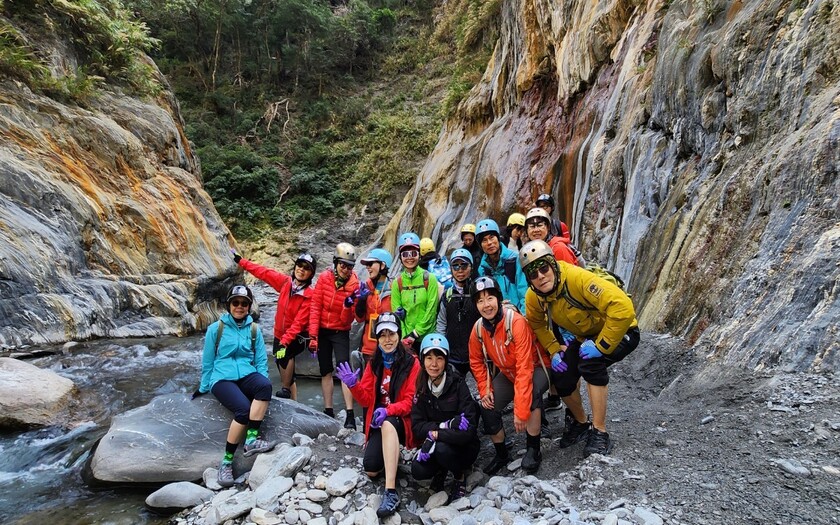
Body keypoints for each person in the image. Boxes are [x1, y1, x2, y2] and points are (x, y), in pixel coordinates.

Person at [520, 240, 639, 456]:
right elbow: (536, 323)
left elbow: (622, 308)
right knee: (562, 376)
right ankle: (581, 422)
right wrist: (554, 349)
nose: (540, 276)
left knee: (591, 363)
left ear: (553, 265)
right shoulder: (534, 296)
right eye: (533, 274)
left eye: (544, 268)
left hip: (622, 329)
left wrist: (602, 345)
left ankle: (600, 432)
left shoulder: (577, 278)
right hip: (586, 336)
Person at [335, 312, 420, 518]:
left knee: (389, 423)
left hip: (400, 420)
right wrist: (353, 385)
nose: (387, 339)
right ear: (377, 338)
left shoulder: (412, 363)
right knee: (371, 469)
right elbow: (366, 400)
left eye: (391, 334)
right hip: (379, 422)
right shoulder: (375, 363)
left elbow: (410, 402)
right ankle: (392, 454)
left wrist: (388, 410)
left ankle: (390, 492)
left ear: (399, 335)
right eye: (382, 335)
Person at [468, 277, 550, 475]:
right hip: (508, 373)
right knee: (487, 404)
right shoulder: (478, 329)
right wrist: (484, 390)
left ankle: (533, 449)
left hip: (537, 367)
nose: (486, 305)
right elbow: (476, 361)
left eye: (490, 298)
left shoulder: (516, 322)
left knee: (532, 393)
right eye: (480, 301)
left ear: (498, 298)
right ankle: (502, 453)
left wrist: (520, 411)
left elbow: (525, 367)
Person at [196, 285, 275, 487]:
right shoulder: (216, 329)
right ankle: (227, 462)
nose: (239, 306)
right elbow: (208, 362)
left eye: (244, 303)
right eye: (236, 303)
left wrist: (261, 382)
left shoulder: (254, 329)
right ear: (229, 305)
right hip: (222, 378)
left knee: (265, 386)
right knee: (242, 409)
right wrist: (204, 387)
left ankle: (251, 440)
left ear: (249, 306)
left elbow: (261, 361)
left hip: (247, 374)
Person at [233, 249, 316, 400]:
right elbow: (263, 273)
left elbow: (298, 323)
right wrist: (242, 262)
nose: (301, 270)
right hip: (280, 333)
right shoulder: (285, 283)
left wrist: (285, 341)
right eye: (299, 265)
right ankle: (293, 401)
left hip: (298, 336)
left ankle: (285, 390)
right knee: (279, 359)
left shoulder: (309, 296)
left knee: (285, 354)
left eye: (306, 268)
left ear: (311, 274)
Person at [411, 333, 480, 503]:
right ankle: (441, 470)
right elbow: (417, 427)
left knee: (443, 450)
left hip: (463, 447)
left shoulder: (458, 384)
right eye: (429, 358)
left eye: (439, 358)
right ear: (422, 360)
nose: (434, 364)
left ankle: (459, 476)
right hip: (437, 442)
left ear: (446, 360)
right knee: (418, 470)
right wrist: (445, 426)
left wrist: (437, 434)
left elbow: (468, 429)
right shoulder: (421, 387)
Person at [309, 242, 361, 429]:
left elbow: (349, 319)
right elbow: (315, 306)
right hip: (323, 331)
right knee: (325, 370)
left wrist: (347, 305)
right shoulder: (324, 278)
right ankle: (328, 409)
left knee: (344, 369)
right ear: (336, 263)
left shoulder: (355, 285)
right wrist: (313, 336)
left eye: (349, 266)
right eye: (342, 265)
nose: (345, 269)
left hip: (340, 331)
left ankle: (350, 413)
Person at [391, 232, 440, 353]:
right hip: (406, 339)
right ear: (400, 257)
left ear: (419, 255)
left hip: (427, 337)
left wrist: (416, 333)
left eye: (413, 253)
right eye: (405, 254)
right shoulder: (397, 283)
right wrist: (404, 336)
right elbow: (396, 312)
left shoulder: (429, 279)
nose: (409, 257)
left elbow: (431, 310)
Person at [435, 248, 480, 378]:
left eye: (464, 265)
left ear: (471, 268)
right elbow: (441, 324)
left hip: (476, 354)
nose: (460, 270)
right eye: (455, 266)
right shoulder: (447, 296)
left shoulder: (477, 294)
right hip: (453, 356)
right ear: (451, 269)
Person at [474, 219, 528, 312]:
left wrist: (524, 315)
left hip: (518, 314)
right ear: (481, 245)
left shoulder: (515, 259)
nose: (489, 243)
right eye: (484, 240)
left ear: (498, 238)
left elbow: (524, 290)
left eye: (491, 237)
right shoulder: (483, 269)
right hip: (498, 315)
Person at [535, 193, 586, 266]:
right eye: (540, 206)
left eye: (545, 206)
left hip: (559, 259)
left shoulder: (559, 225)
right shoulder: (532, 226)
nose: (542, 209)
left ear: (552, 208)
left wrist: (581, 262)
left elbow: (568, 244)